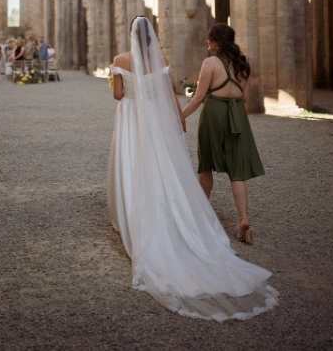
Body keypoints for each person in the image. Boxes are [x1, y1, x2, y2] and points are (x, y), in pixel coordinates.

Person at [108, 16, 278, 321]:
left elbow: (119, 95)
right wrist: (177, 117)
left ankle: (145, 208)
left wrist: (180, 112)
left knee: (149, 163)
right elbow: (172, 94)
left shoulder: (121, 59)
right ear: (152, 37)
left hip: (136, 119)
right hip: (208, 120)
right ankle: (228, 216)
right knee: (176, 166)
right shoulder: (162, 60)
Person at [179, 22, 265, 244]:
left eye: (210, 39)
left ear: (217, 42)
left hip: (214, 113)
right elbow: (245, 98)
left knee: (205, 166)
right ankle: (244, 219)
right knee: (237, 171)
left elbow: (198, 97)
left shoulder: (210, 63)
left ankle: (198, 216)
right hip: (237, 115)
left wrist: (180, 115)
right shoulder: (243, 65)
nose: (207, 42)